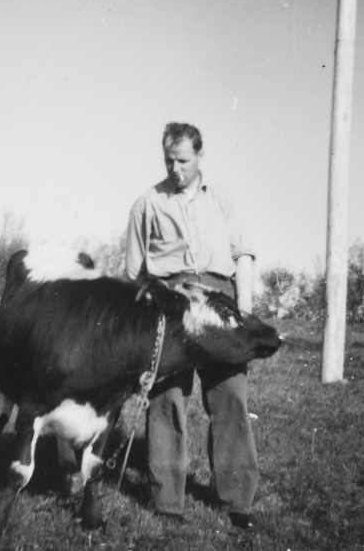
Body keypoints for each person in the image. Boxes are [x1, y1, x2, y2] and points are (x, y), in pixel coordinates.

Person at [124, 121, 259, 530]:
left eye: (183, 160)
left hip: (218, 304)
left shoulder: (222, 199)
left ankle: (238, 500)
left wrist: (244, 312)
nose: (175, 168)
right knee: (167, 398)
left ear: (199, 157)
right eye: (169, 160)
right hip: (170, 304)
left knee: (230, 396)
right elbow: (133, 272)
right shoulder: (147, 203)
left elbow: (244, 254)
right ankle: (168, 501)